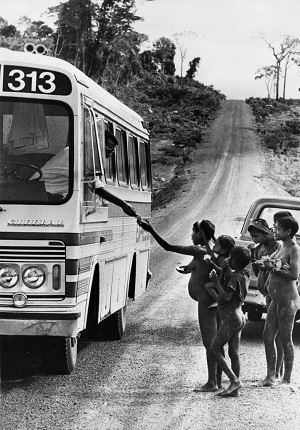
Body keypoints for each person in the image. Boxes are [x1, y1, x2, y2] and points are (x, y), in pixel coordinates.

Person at [137, 217, 223, 392]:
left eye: (193, 232)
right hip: (216, 300)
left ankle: (212, 382)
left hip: (206, 301)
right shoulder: (213, 251)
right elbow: (200, 265)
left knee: (209, 343)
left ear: (201, 234)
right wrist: (190, 267)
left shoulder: (198, 250)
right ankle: (218, 381)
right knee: (217, 342)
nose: (191, 235)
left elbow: (168, 247)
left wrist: (151, 229)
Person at [31, 130, 137, 217]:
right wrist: (123, 204)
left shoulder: (81, 153)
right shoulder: (79, 155)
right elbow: (97, 188)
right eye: (108, 150)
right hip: (40, 194)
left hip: (45, 194)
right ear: (98, 144)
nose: (109, 155)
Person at [259, 216, 300, 386]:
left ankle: (286, 378)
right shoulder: (282, 246)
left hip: (287, 301)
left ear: (288, 231)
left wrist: (274, 267)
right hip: (276, 300)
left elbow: (293, 274)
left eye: (277, 229)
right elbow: (274, 263)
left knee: (285, 339)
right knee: (267, 336)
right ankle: (270, 376)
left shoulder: (294, 250)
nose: (274, 231)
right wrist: (266, 263)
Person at [209, 246, 251, 397]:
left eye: (230, 257)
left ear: (234, 260)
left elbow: (226, 297)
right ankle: (235, 390)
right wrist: (223, 271)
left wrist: (215, 280)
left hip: (231, 317)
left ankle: (234, 381)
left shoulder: (234, 277)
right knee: (234, 353)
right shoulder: (245, 274)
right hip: (239, 316)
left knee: (214, 349)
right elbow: (224, 284)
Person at [204, 235, 235, 308]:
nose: (214, 246)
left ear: (223, 250)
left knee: (207, 286)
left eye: (216, 245)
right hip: (226, 281)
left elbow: (222, 271)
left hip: (226, 282)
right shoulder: (223, 257)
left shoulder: (222, 259)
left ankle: (218, 300)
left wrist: (212, 265)